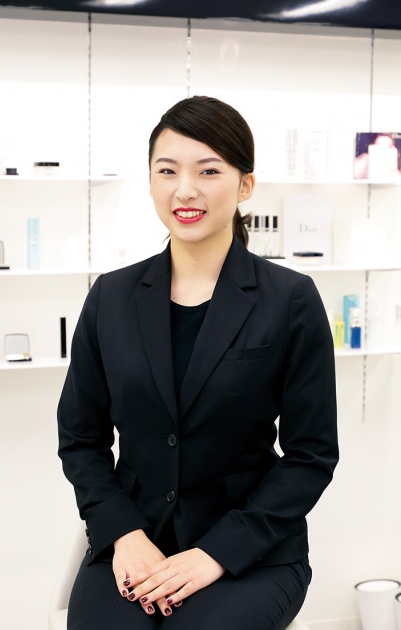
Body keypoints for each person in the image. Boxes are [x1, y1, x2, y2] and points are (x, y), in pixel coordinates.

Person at [57, 95, 339, 630]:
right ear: (150, 181)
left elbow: (311, 455)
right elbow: (80, 438)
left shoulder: (289, 299)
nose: (185, 190)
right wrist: (125, 535)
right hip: (135, 538)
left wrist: (216, 553)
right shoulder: (111, 297)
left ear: (245, 185)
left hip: (250, 550)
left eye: (208, 171)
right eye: (167, 171)